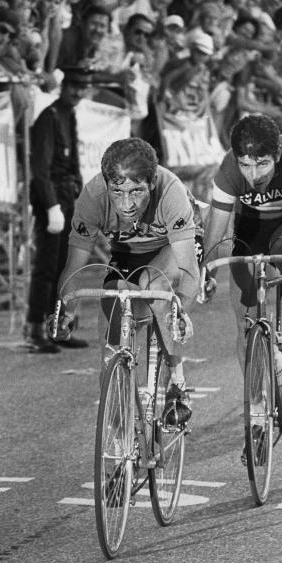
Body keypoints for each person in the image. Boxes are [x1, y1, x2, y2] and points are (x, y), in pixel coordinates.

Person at [55, 138, 198, 426]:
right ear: (106, 184)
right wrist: (65, 311)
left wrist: (180, 310)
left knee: (154, 287)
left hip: (170, 247)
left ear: (152, 182)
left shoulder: (171, 192)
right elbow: (74, 267)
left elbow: (189, 268)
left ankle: (177, 382)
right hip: (127, 253)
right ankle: (121, 440)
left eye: (137, 192)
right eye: (117, 192)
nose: (127, 204)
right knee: (109, 322)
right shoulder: (92, 198)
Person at [202, 113, 282, 404]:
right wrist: (205, 274)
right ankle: (257, 408)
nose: (254, 174)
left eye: (262, 163)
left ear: (277, 155)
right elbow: (215, 235)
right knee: (243, 316)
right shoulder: (229, 171)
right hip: (251, 223)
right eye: (246, 165)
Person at [23, 66, 92, 353]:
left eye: (82, 87)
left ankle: (58, 327)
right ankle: (35, 328)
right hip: (51, 199)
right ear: (64, 86)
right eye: (73, 85)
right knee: (47, 268)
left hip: (67, 197)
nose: (77, 92)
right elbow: (40, 170)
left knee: (66, 267)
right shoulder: (49, 118)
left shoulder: (69, 115)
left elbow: (73, 164)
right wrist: (51, 205)